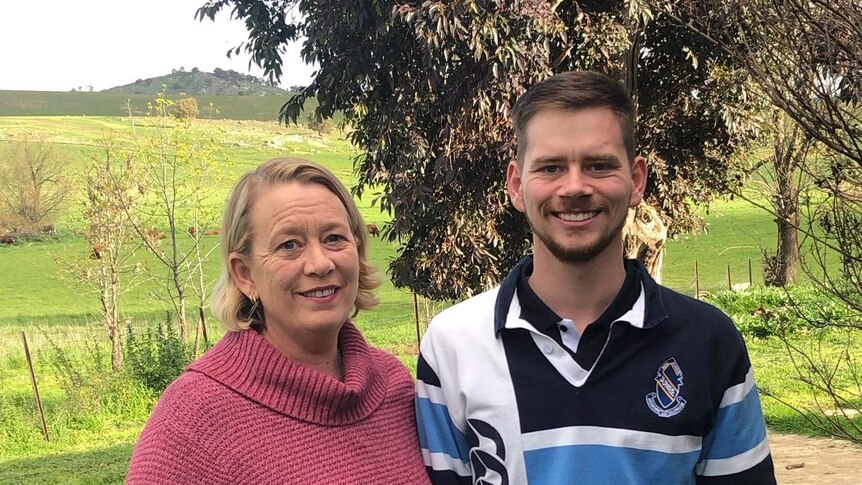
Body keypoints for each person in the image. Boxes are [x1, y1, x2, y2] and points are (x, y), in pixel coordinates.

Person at [415, 71, 776, 484]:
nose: (574, 187)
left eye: (598, 165)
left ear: (636, 179)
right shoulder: (452, 344)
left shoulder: (709, 341)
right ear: (517, 185)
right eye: (550, 167)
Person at [128, 157, 430, 484]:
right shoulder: (194, 420)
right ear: (245, 275)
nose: (319, 263)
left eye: (334, 238)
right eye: (289, 245)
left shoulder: (394, 386)